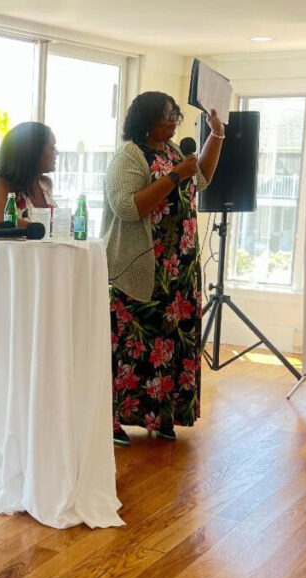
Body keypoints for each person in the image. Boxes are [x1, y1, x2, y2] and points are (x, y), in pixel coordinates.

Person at [104, 91, 224, 444]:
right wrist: (173, 176)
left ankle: (161, 415)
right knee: (130, 348)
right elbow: (128, 208)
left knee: (172, 344)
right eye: (166, 114)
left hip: (178, 268)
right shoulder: (129, 156)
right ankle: (113, 419)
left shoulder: (171, 152)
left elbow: (201, 179)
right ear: (145, 118)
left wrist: (216, 136)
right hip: (141, 268)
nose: (173, 120)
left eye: (175, 114)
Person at [0, 121, 58, 226]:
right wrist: (42, 228)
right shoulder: (3, 184)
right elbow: (1, 222)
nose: (56, 153)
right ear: (34, 151)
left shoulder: (46, 183)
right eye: (52, 147)